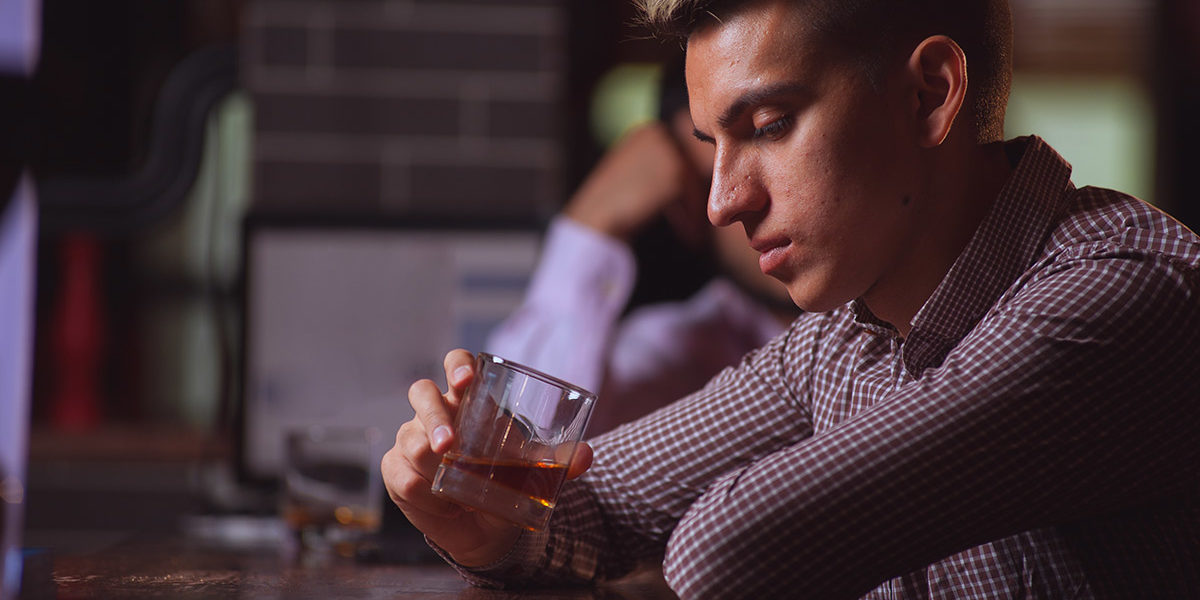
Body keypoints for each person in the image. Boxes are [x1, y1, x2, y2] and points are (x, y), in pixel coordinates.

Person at [382, 0, 1200, 597]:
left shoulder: (1126, 293)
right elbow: (585, 508)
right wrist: (482, 526)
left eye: (768, 124)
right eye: (711, 148)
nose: (722, 203)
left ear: (930, 94)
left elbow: (727, 552)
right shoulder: (843, 337)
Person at [486, 59, 797, 435]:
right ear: (687, 219)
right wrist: (593, 223)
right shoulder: (686, 349)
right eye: (705, 182)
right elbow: (525, 437)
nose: (729, 202)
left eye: (770, 130)